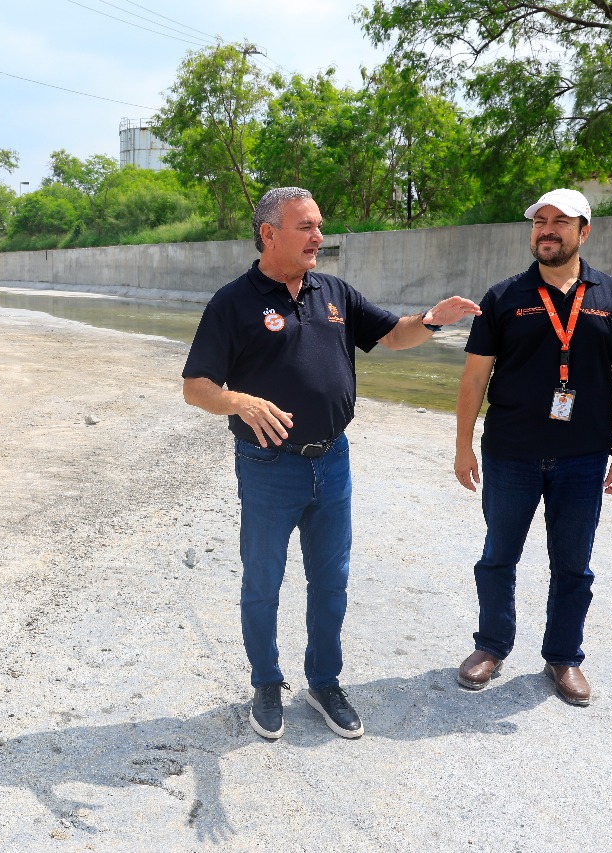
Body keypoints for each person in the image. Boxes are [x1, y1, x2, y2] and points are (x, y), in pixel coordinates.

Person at [182, 187, 481, 740]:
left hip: (333, 462)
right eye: (306, 227)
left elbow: (392, 334)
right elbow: (196, 386)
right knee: (263, 580)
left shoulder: (334, 291)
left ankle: (324, 683)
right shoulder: (232, 302)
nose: (319, 237)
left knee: (330, 581)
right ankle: (267, 684)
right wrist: (240, 401)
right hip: (268, 466)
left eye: (320, 226)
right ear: (269, 234)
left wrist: (431, 319)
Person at [453, 188, 612, 706]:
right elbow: (474, 378)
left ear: (584, 231)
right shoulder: (503, 297)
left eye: (561, 221)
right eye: (540, 221)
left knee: (573, 565)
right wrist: (463, 445)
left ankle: (564, 656)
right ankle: (491, 645)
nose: (547, 230)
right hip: (509, 453)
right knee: (498, 556)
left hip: (583, 457)